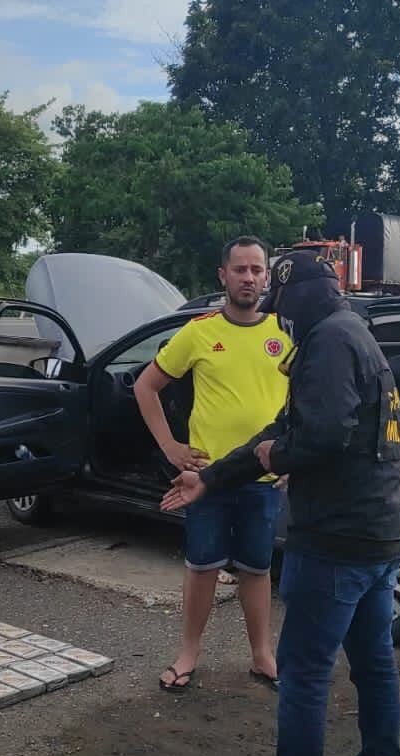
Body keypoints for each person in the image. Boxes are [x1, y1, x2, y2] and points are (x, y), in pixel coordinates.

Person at [162, 250, 400, 756]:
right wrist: (212, 477)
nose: (279, 319)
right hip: (383, 534)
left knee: (303, 676)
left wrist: (279, 459)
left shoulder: (326, 342)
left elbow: (316, 439)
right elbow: (282, 429)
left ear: (296, 300)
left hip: (338, 541)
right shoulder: (354, 335)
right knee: (375, 664)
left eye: (281, 306)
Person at [135, 236, 291, 693]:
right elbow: (145, 388)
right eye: (240, 269)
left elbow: (305, 400)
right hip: (204, 479)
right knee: (202, 566)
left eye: (257, 270)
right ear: (222, 275)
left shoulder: (284, 332)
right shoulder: (199, 332)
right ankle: (188, 653)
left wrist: (291, 456)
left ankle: (263, 656)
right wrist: (170, 447)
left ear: (266, 276)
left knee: (257, 568)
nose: (249, 278)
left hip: (262, 478)